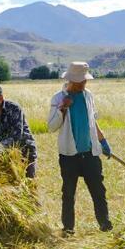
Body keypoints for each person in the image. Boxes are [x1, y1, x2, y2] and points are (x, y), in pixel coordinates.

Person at [48, 62, 113, 236]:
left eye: (84, 81)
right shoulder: (58, 98)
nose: (84, 84)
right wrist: (63, 108)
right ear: (70, 80)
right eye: (80, 82)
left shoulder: (88, 96)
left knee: (98, 190)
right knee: (68, 193)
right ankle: (68, 228)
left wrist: (103, 141)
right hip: (69, 155)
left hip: (90, 153)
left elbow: (93, 121)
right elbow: (51, 126)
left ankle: (105, 224)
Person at [0, 84, 37, 178]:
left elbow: (17, 135)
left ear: (1, 98)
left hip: (25, 153)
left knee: (29, 184)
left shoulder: (14, 108)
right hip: (3, 157)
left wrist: (0, 147)